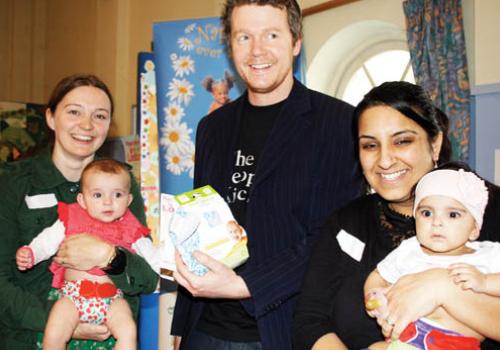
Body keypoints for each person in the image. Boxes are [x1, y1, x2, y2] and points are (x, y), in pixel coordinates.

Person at [170, 1, 363, 349]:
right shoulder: (212, 127)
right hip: (205, 328)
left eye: (271, 35)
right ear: (230, 45)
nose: (257, 50)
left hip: (281, 329)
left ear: (295, 42)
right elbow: (195, 223)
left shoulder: (338, 123)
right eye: (244, 36)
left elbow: (331, 240)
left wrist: (246, 286)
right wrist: (182, 324)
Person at [292, 81, 500, 350]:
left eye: (402, 141)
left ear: (434, 143)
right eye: (370, 145)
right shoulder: (346, 223)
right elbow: (309, 321)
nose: (385, 160)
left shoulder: (490, 211)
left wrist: (442, 289)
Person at [0, 74, 159, 349]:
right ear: (50, 118)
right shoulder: (13, 182)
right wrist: (61, 322)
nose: (87, 125)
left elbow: (146, 278)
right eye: (74, 112)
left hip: (105, 334)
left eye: (100, 116)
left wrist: (109, 257)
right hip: (26, 336)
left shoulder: (121, 183)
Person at [16, 159, 161, 350]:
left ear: (129, 200)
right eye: (98, 195)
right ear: (82, 200)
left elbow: (155, 261)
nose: (108, 202)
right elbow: (47, 241)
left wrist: (170, 269)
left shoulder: (131, 229)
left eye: (117, 194)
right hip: (72, 296)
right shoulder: (70, 219)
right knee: (54, 331)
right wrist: (31, 253)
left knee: (128, 331)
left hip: (112, 299)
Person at [365, 164, 500, 349]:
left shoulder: (488, 255)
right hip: (403, 339)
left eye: (453, 215)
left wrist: (484, 282)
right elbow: (378, 276)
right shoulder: (409, 250)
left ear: (474, 229)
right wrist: (375, 297)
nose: (437, 222)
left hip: (456, 344)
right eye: (426, 213)